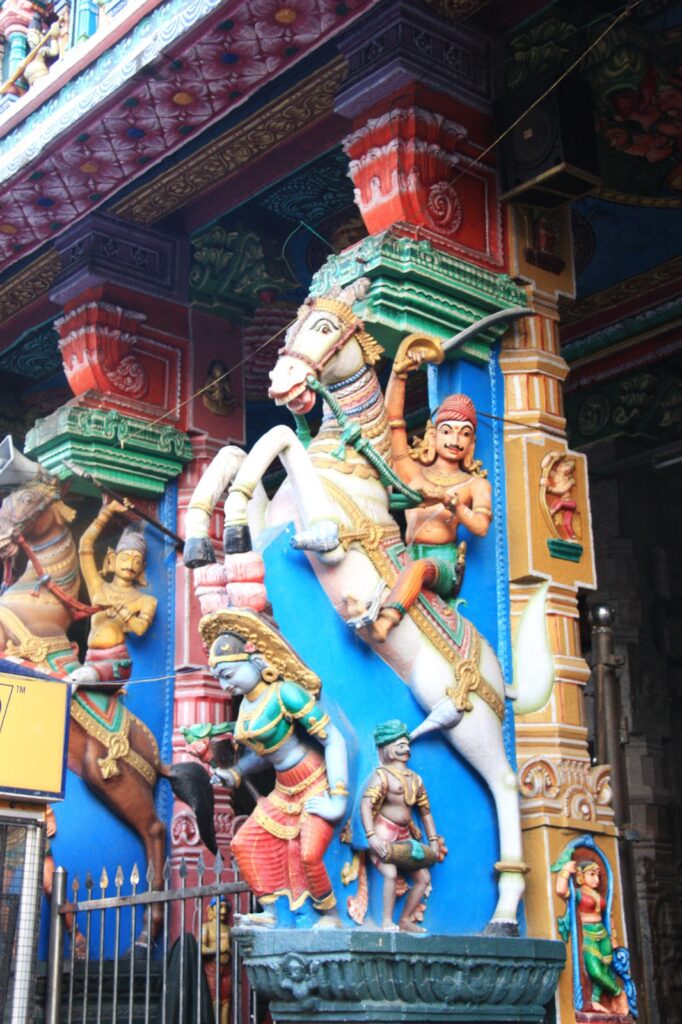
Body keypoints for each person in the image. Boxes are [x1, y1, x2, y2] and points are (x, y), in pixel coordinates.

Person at [201, 608, 348, 927]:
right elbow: (268, 753)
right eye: (219, 679)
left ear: (253, 661)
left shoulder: (285, 694)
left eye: (228, 674)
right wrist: (235, 772)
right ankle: (272, 911)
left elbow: (333, 739)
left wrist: (338, 798)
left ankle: (332, 915)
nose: (225, 686)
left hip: (313, 779)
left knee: (309, 854)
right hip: (283, 788)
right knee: (244, 843)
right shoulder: (246, 707)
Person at [370, 338, 492, 642]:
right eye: (447, 431)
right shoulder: (413, 473)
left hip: (442, 565)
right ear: (433, 435)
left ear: (471, 444)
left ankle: (385, 621)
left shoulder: (475, 484)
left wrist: (454, 505)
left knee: (421, 568)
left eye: (465, 434)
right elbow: (393, 424)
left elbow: (479, 527)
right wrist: (399, 375)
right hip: (405, 555)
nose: (456, 440)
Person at [360, 720, 442, 932]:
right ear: (386, 749)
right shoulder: (382, 776)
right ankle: (387, 920)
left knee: (424, 878)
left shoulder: (415, 779)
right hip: (383, 834)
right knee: (390, 873)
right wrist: (371, 836)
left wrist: (433, 840)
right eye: (399, 744)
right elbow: (366, 805)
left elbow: (425, 812)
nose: (405, 748)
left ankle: (405, 919)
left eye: (406, 744)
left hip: (406, 837)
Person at [71, 500, 157, 686]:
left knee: (74, 679)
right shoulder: (98, 588)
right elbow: (85, 545)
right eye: (125, 558)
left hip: (115, 665)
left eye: (136, 561)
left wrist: (120, 608)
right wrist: (106, 513)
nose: (130, 564)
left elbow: (140, 629)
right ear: (112, 559)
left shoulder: (145, 600)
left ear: (142, 567)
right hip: (90, 659)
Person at [555, 857, 628, 1014]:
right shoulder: (578, 894)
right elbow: (561, 891)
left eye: (598, 875)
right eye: (592, 875)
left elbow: (609, 915)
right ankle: (618, 994)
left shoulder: (599, 896)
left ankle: (595, 1001)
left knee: (605, 968)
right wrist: (565, 871)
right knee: (594, 971)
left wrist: (613, 938)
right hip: (588, 933)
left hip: (603, 934)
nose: (596, 879)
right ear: (581, 877)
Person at [201, 897, 231, 1024]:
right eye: (220, 907)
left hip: (227, 968)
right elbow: (201, 948)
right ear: (211, 909)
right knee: (214, 1001)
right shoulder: (206, 927)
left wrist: (228, 949)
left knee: (226, 1002)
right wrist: (218, 948)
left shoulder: (229, 928)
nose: (223, 911)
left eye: (225, 907)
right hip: (212, 967)